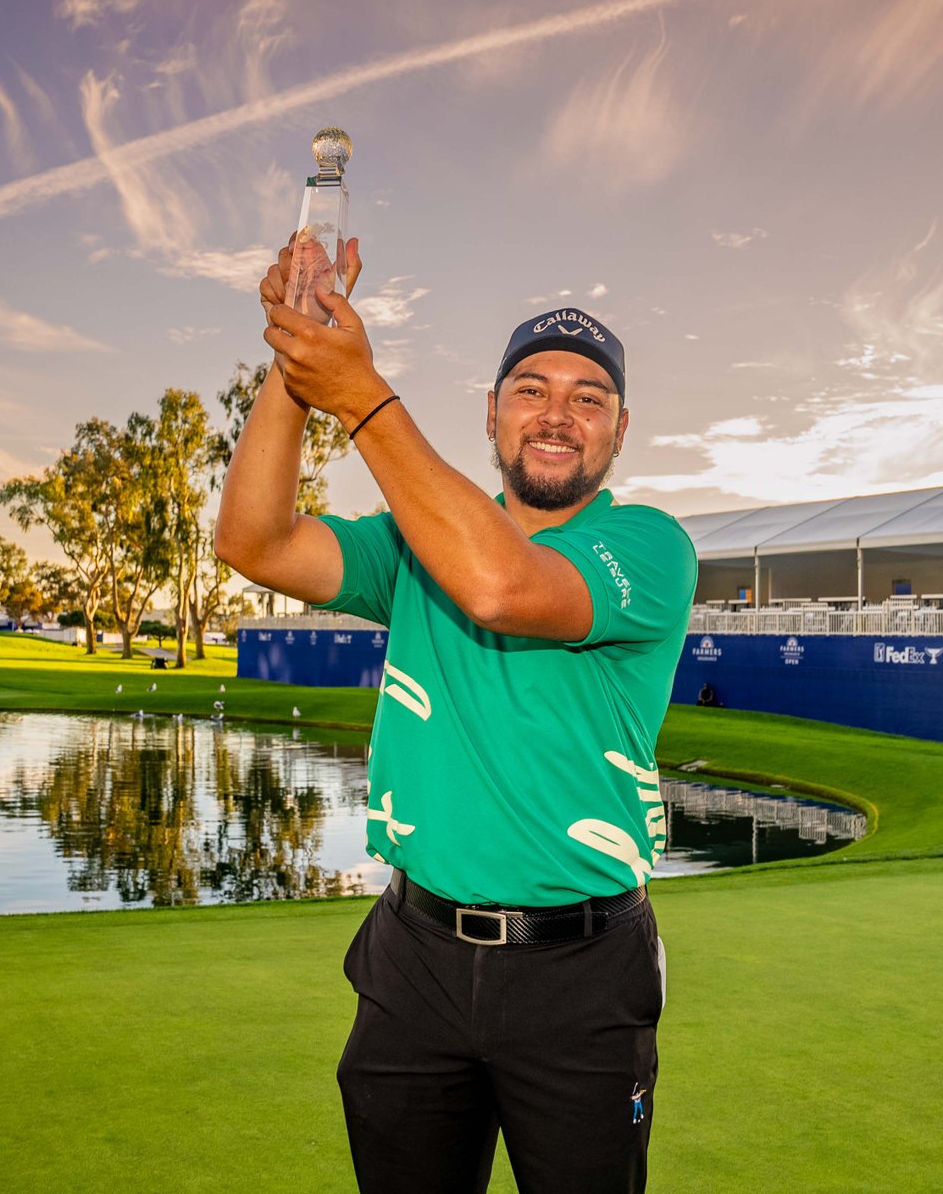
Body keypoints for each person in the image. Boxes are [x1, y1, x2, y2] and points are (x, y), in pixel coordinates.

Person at [214, 234, 698, 1194]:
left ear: (620, 428)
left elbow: (501, 586)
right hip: (414, 960)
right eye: (530, 389)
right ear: (490, 413)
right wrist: (296, 357)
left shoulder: (648, 545)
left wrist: (361, 397)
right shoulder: (410, 542)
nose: (557, 414)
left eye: (587, 397)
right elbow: (253, 539)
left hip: (581, 969)